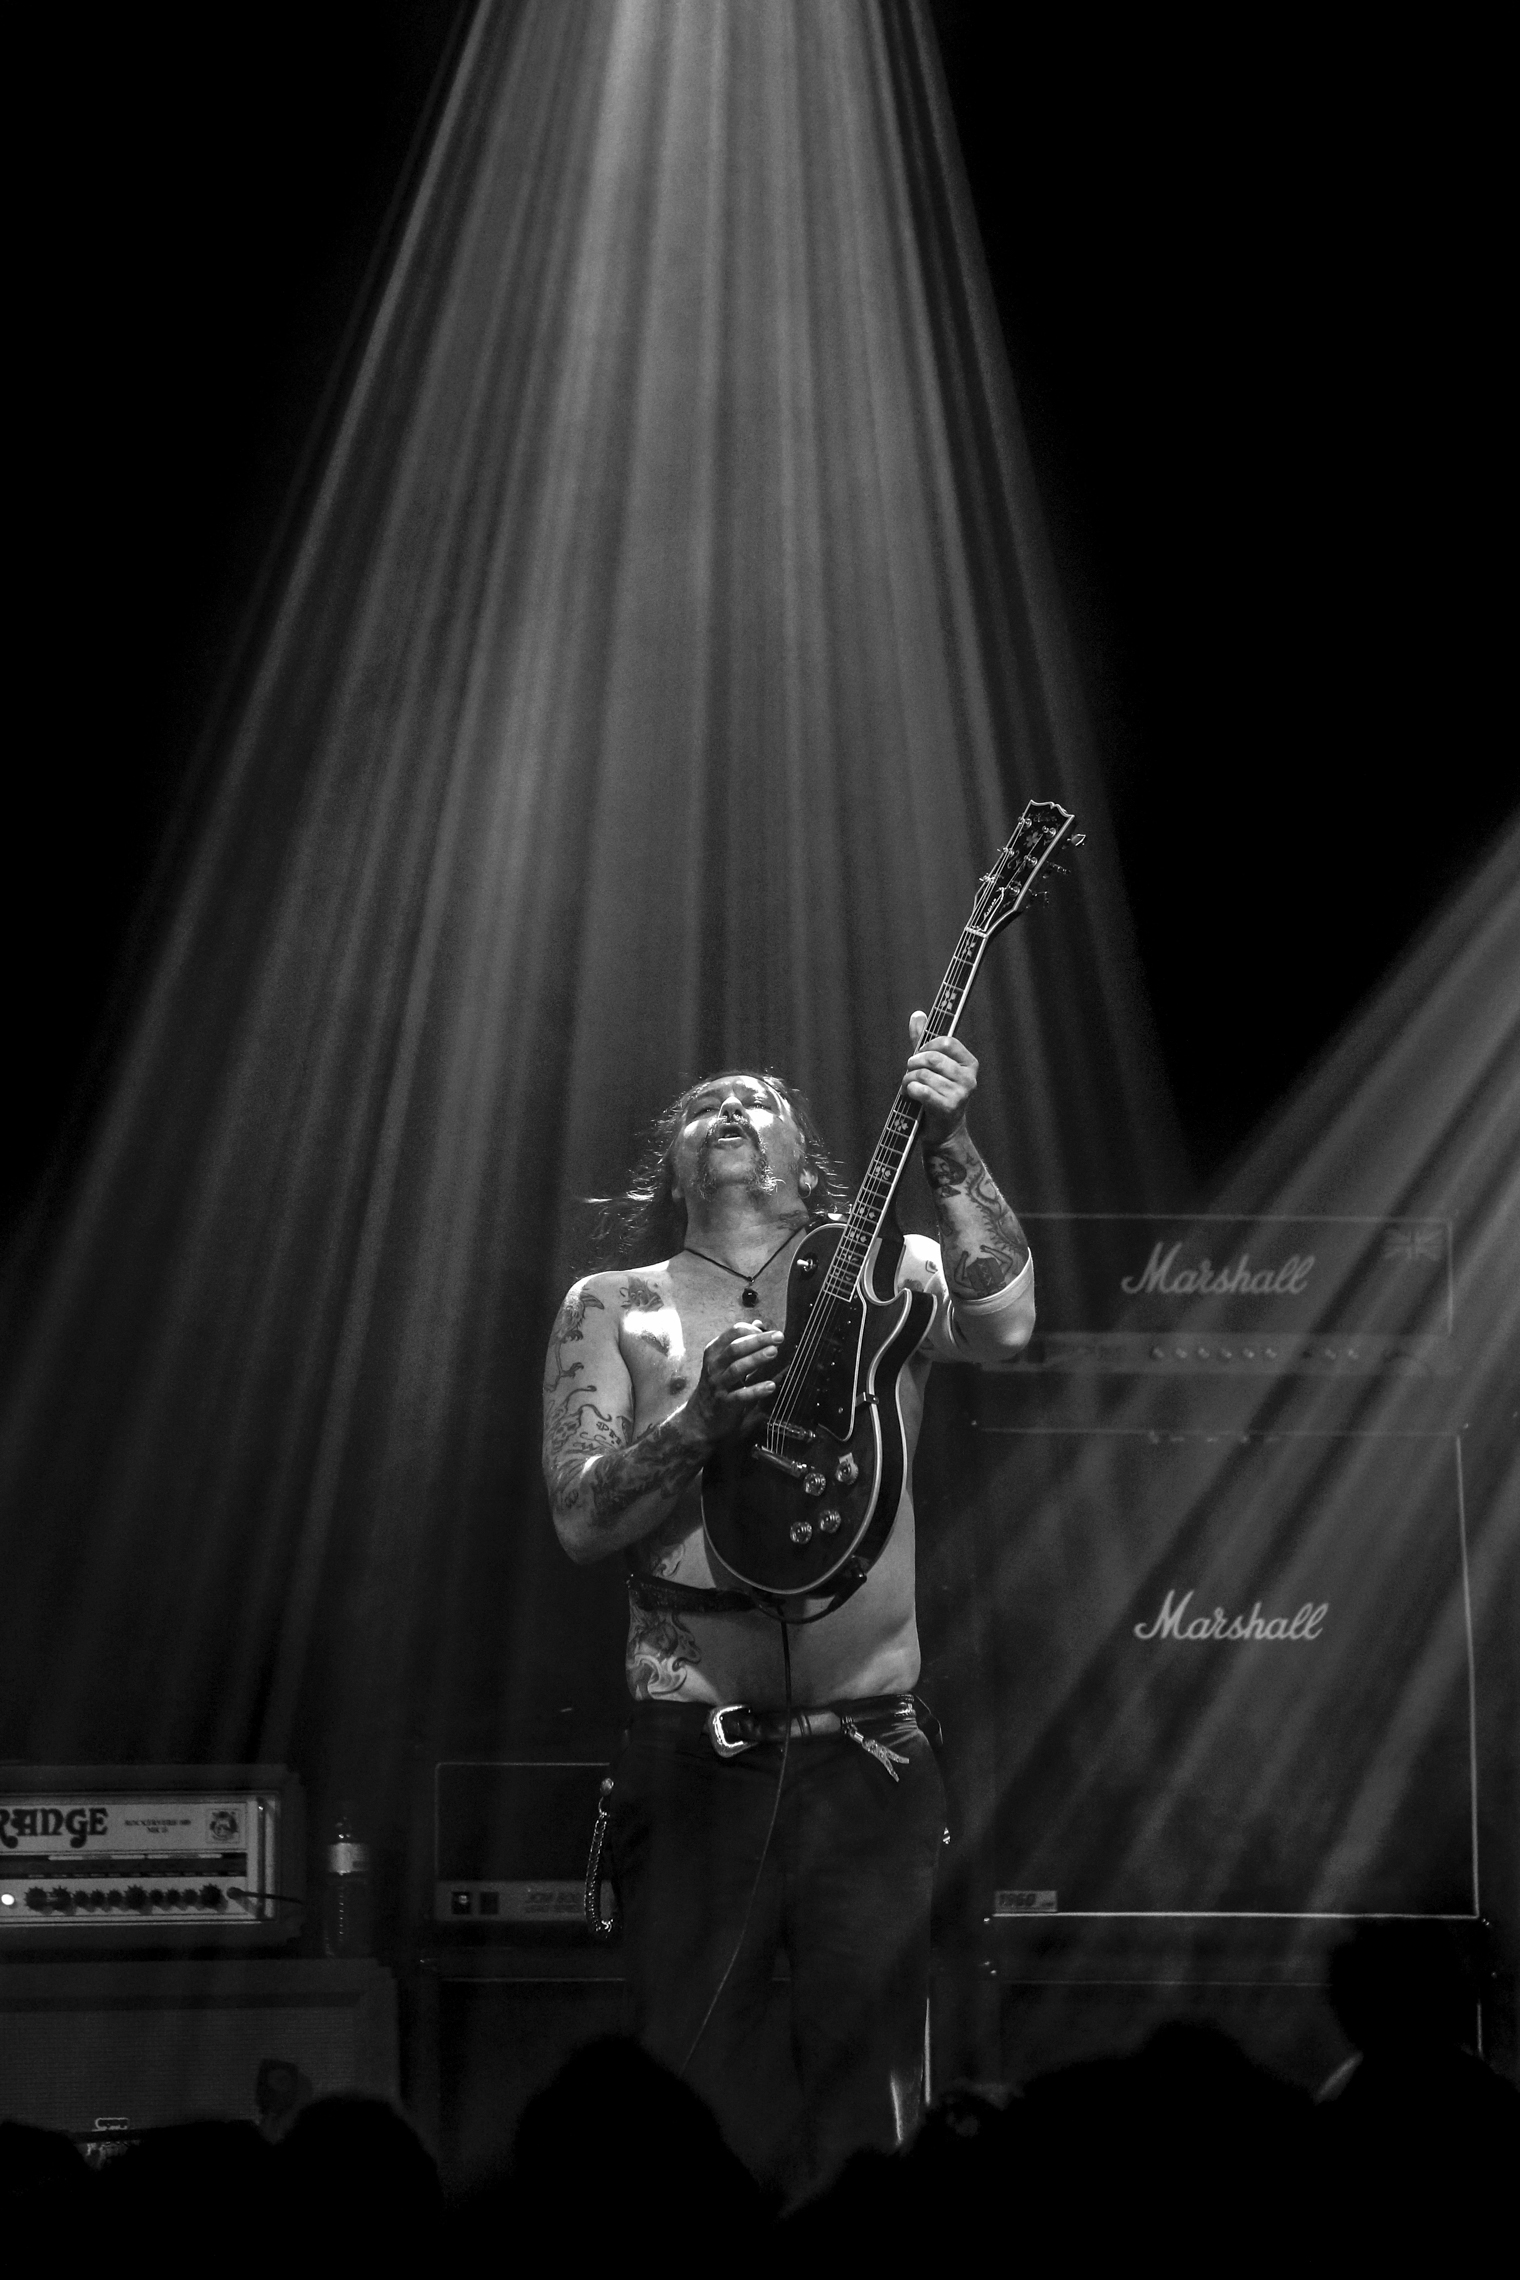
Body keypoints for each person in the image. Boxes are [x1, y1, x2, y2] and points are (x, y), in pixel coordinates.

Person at [541, 1014, 1034, 2186]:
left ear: (808, 1164)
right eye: (702, 1104)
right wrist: (697, 1422)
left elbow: (1008, 1326)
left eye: (757, 1099)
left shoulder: (894, 1273)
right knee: (683, 2106)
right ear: (674, 1169)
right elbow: (579, 1522)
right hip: (694, 1753)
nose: (728, 1109)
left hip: (866, 1753)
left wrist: (949, 1140)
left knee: (875, 2102)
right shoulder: (612, 1304)